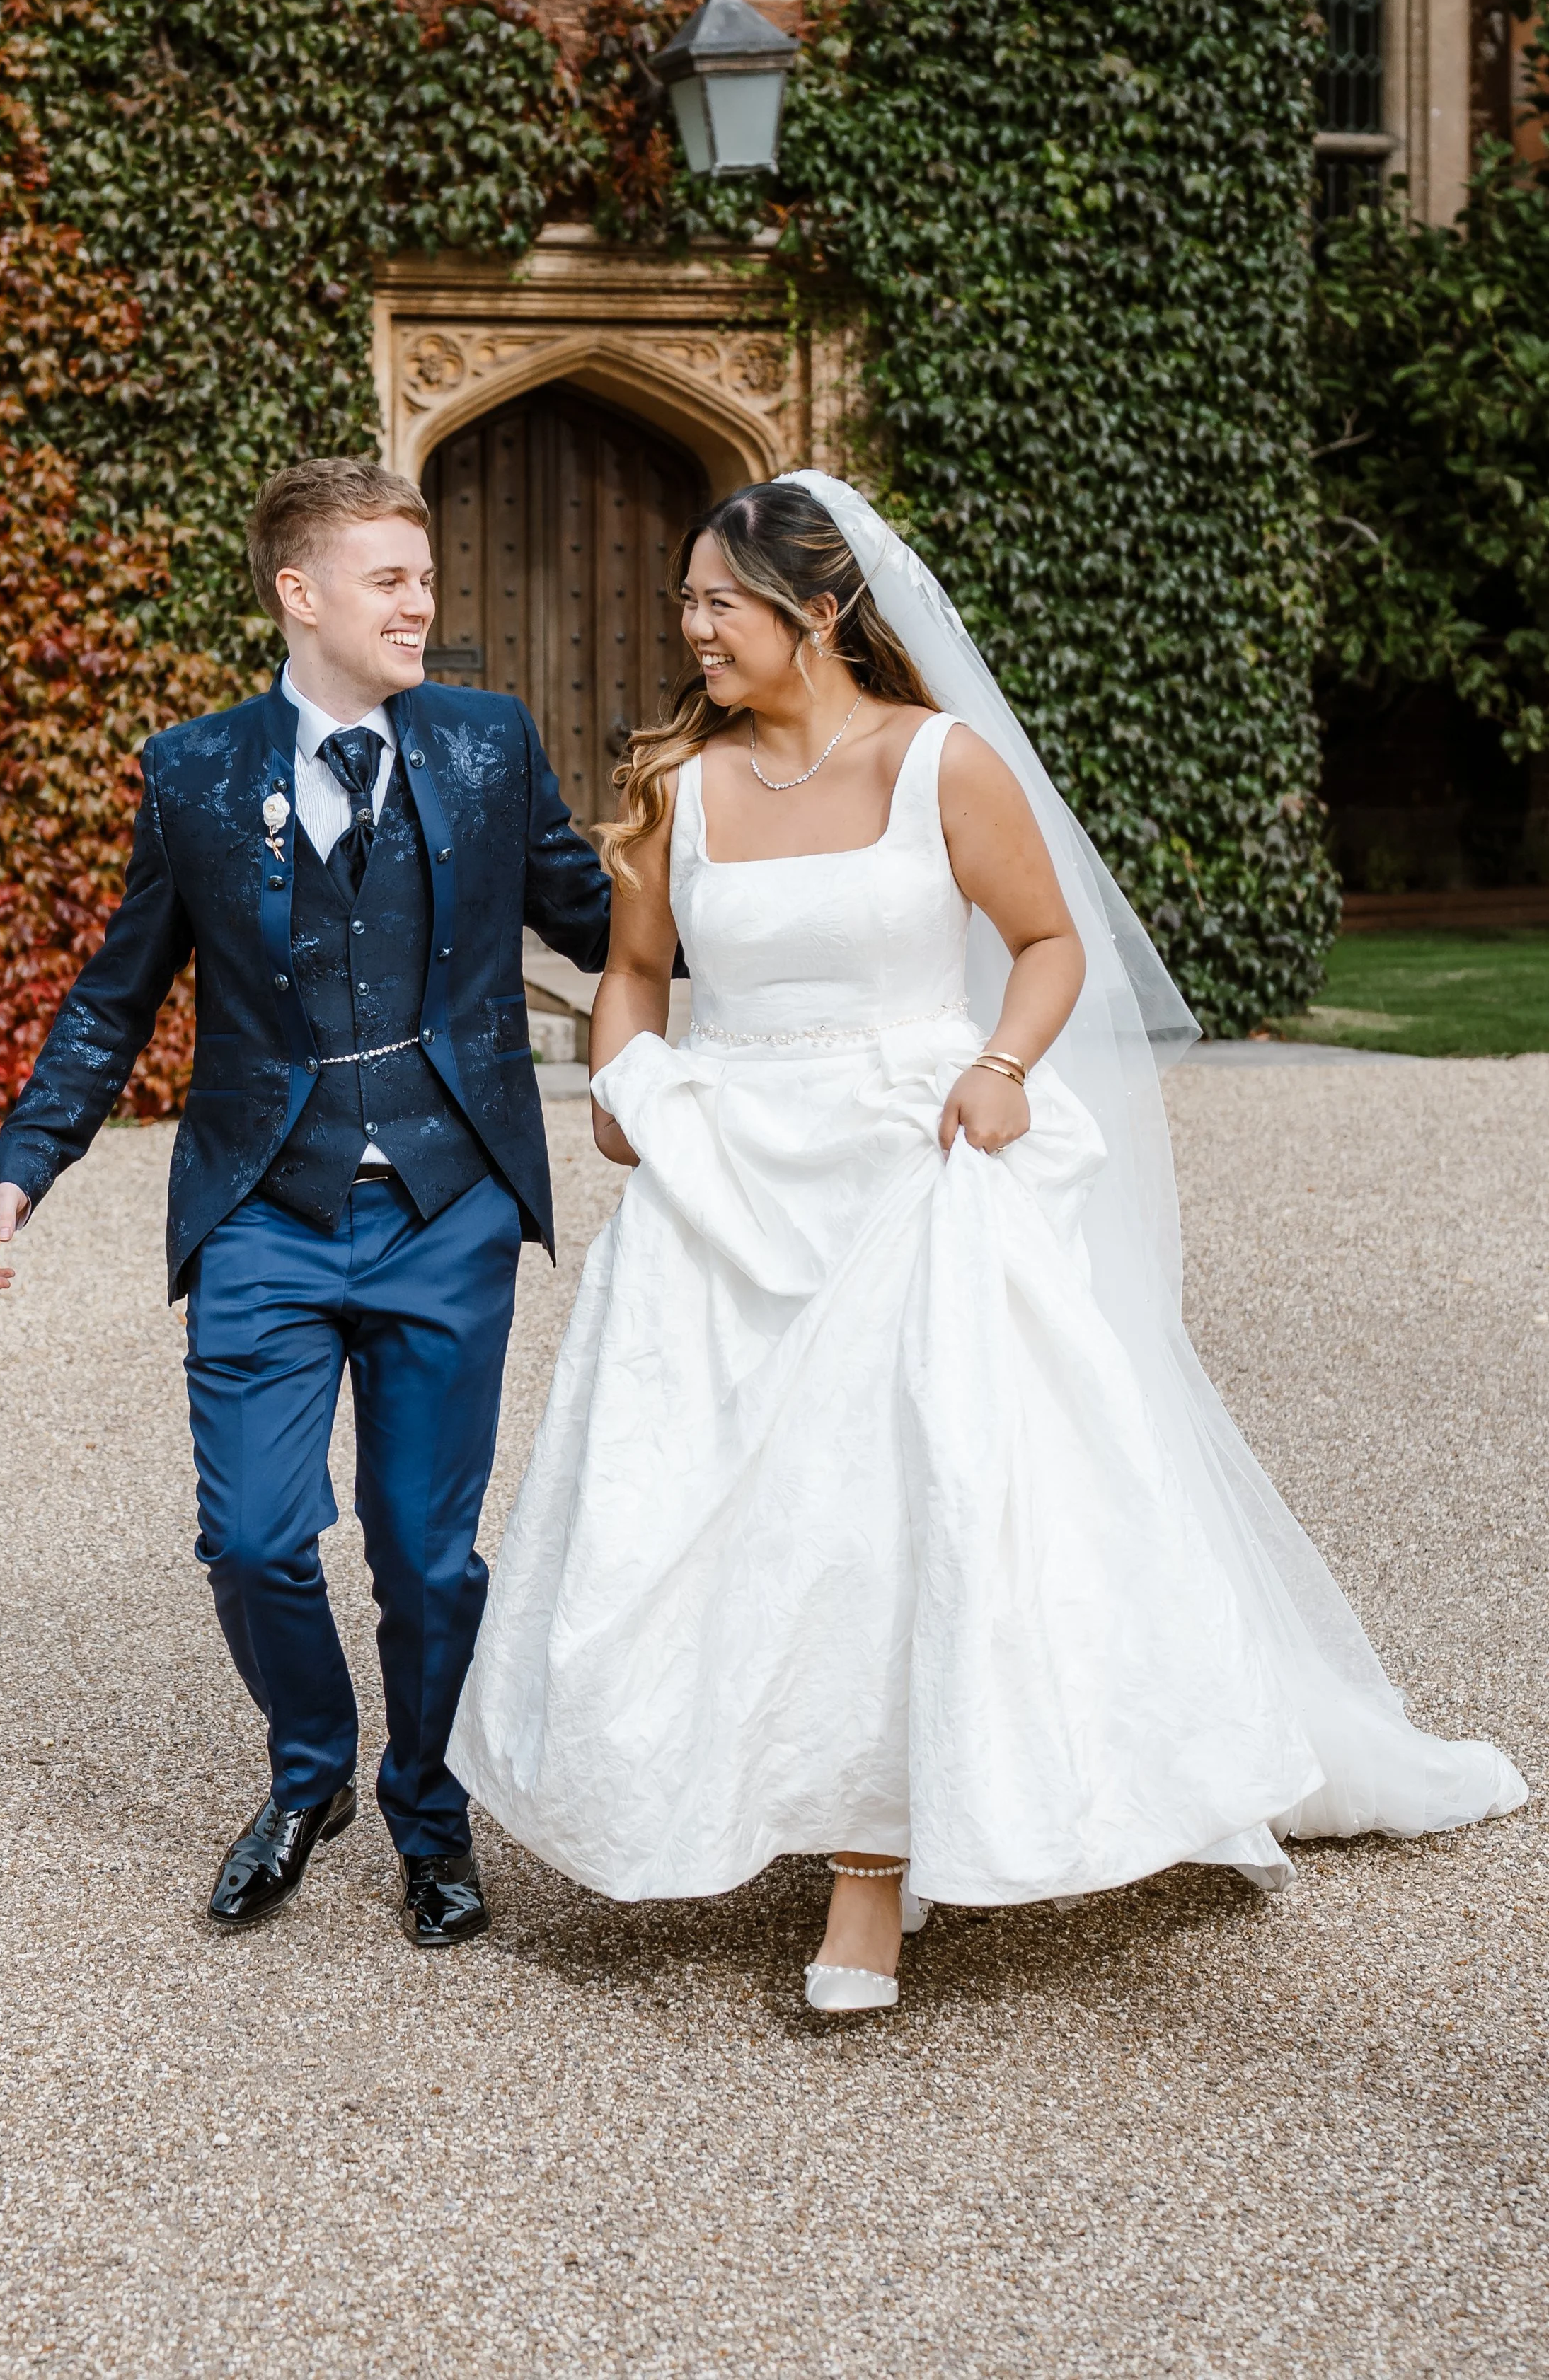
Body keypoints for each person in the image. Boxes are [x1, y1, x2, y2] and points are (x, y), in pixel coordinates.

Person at [448, 473, 1526, 2014]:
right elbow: (631, 976)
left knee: (905, 1493)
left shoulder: (937, 764)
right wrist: (624, 1087)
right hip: (725, 1175)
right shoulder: (677, 787)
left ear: (817, 613)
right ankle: (738, 1787)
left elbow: (1043, 944)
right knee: (704, 1500)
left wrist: (1001, 1067)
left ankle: (875, 1867)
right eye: (688, 602)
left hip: (910, 1162)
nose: (689, 629)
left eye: (717, 603)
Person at [0, 456, 609, 1945]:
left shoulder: (487, 746)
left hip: (447, 1205)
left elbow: (602, 921)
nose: (421, 602)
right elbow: (116, 995)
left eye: (425, 575)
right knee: (251, 1538)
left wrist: (804, 897)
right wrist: (24, 1163)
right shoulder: (190, 769)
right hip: (263, 1201)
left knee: (425, 1552)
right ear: (298, 593)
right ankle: (307, 1769)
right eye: (390, 578)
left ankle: (430, 1818)